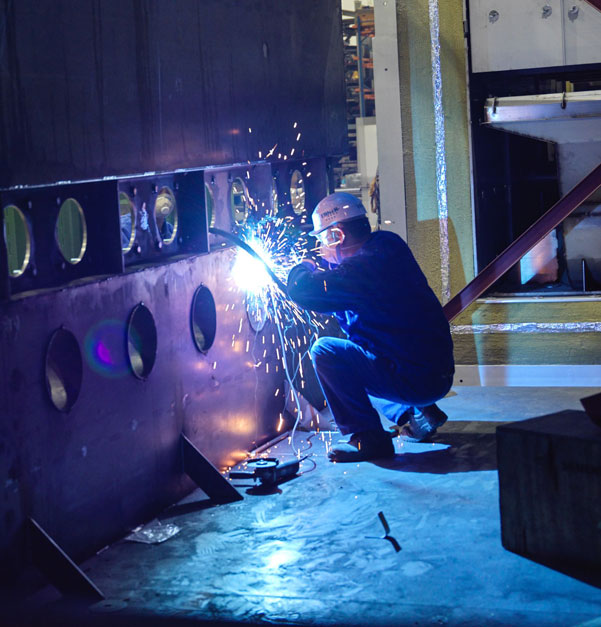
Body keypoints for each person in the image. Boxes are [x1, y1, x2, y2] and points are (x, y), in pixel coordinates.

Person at [287, 192, 454, 463]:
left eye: (322, 240)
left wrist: (305, 265)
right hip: (433, 372)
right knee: (356, 349)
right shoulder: (387, 245)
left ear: (336, 236)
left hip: (419, 380)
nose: (321, 249)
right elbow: (342, 287)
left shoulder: (362, 270)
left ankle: (368, 440)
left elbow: (304, 291)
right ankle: (417, 413)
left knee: (326, 352)